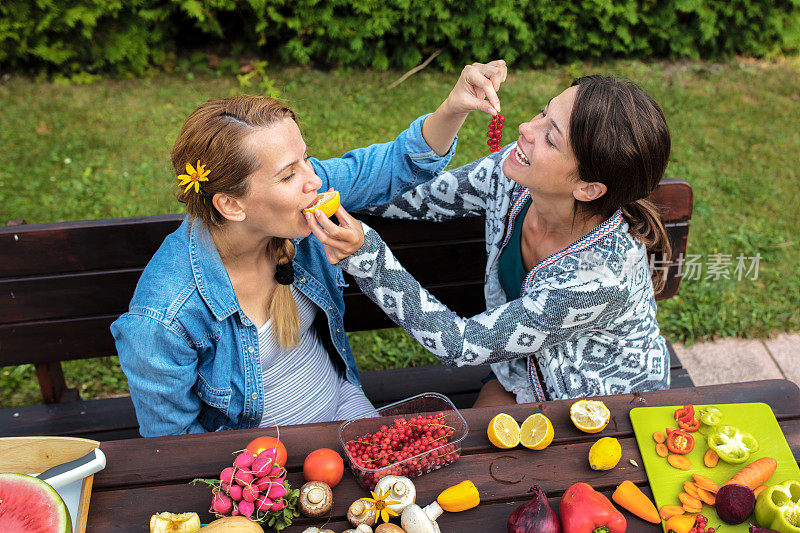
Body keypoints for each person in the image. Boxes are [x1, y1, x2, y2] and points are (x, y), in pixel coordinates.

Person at [111, 61, 509, 436]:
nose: (314, 181)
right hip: (259, 468)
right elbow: (173, 449)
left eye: (306, 159)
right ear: (231, 205)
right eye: (289, 174)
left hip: (345, 407)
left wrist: (455, 106)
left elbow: (394, 164)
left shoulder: (293, 207)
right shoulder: (162, 319)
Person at [312, 75, 673, 406]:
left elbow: (459, 344)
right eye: (542, 112)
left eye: (550, 137)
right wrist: (317, 183)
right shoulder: (514, 178)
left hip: (605, 411)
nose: (526, 128)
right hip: (519, 374)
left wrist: (368, 258)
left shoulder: (599, 280)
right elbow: (417, 196)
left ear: (588, 188)